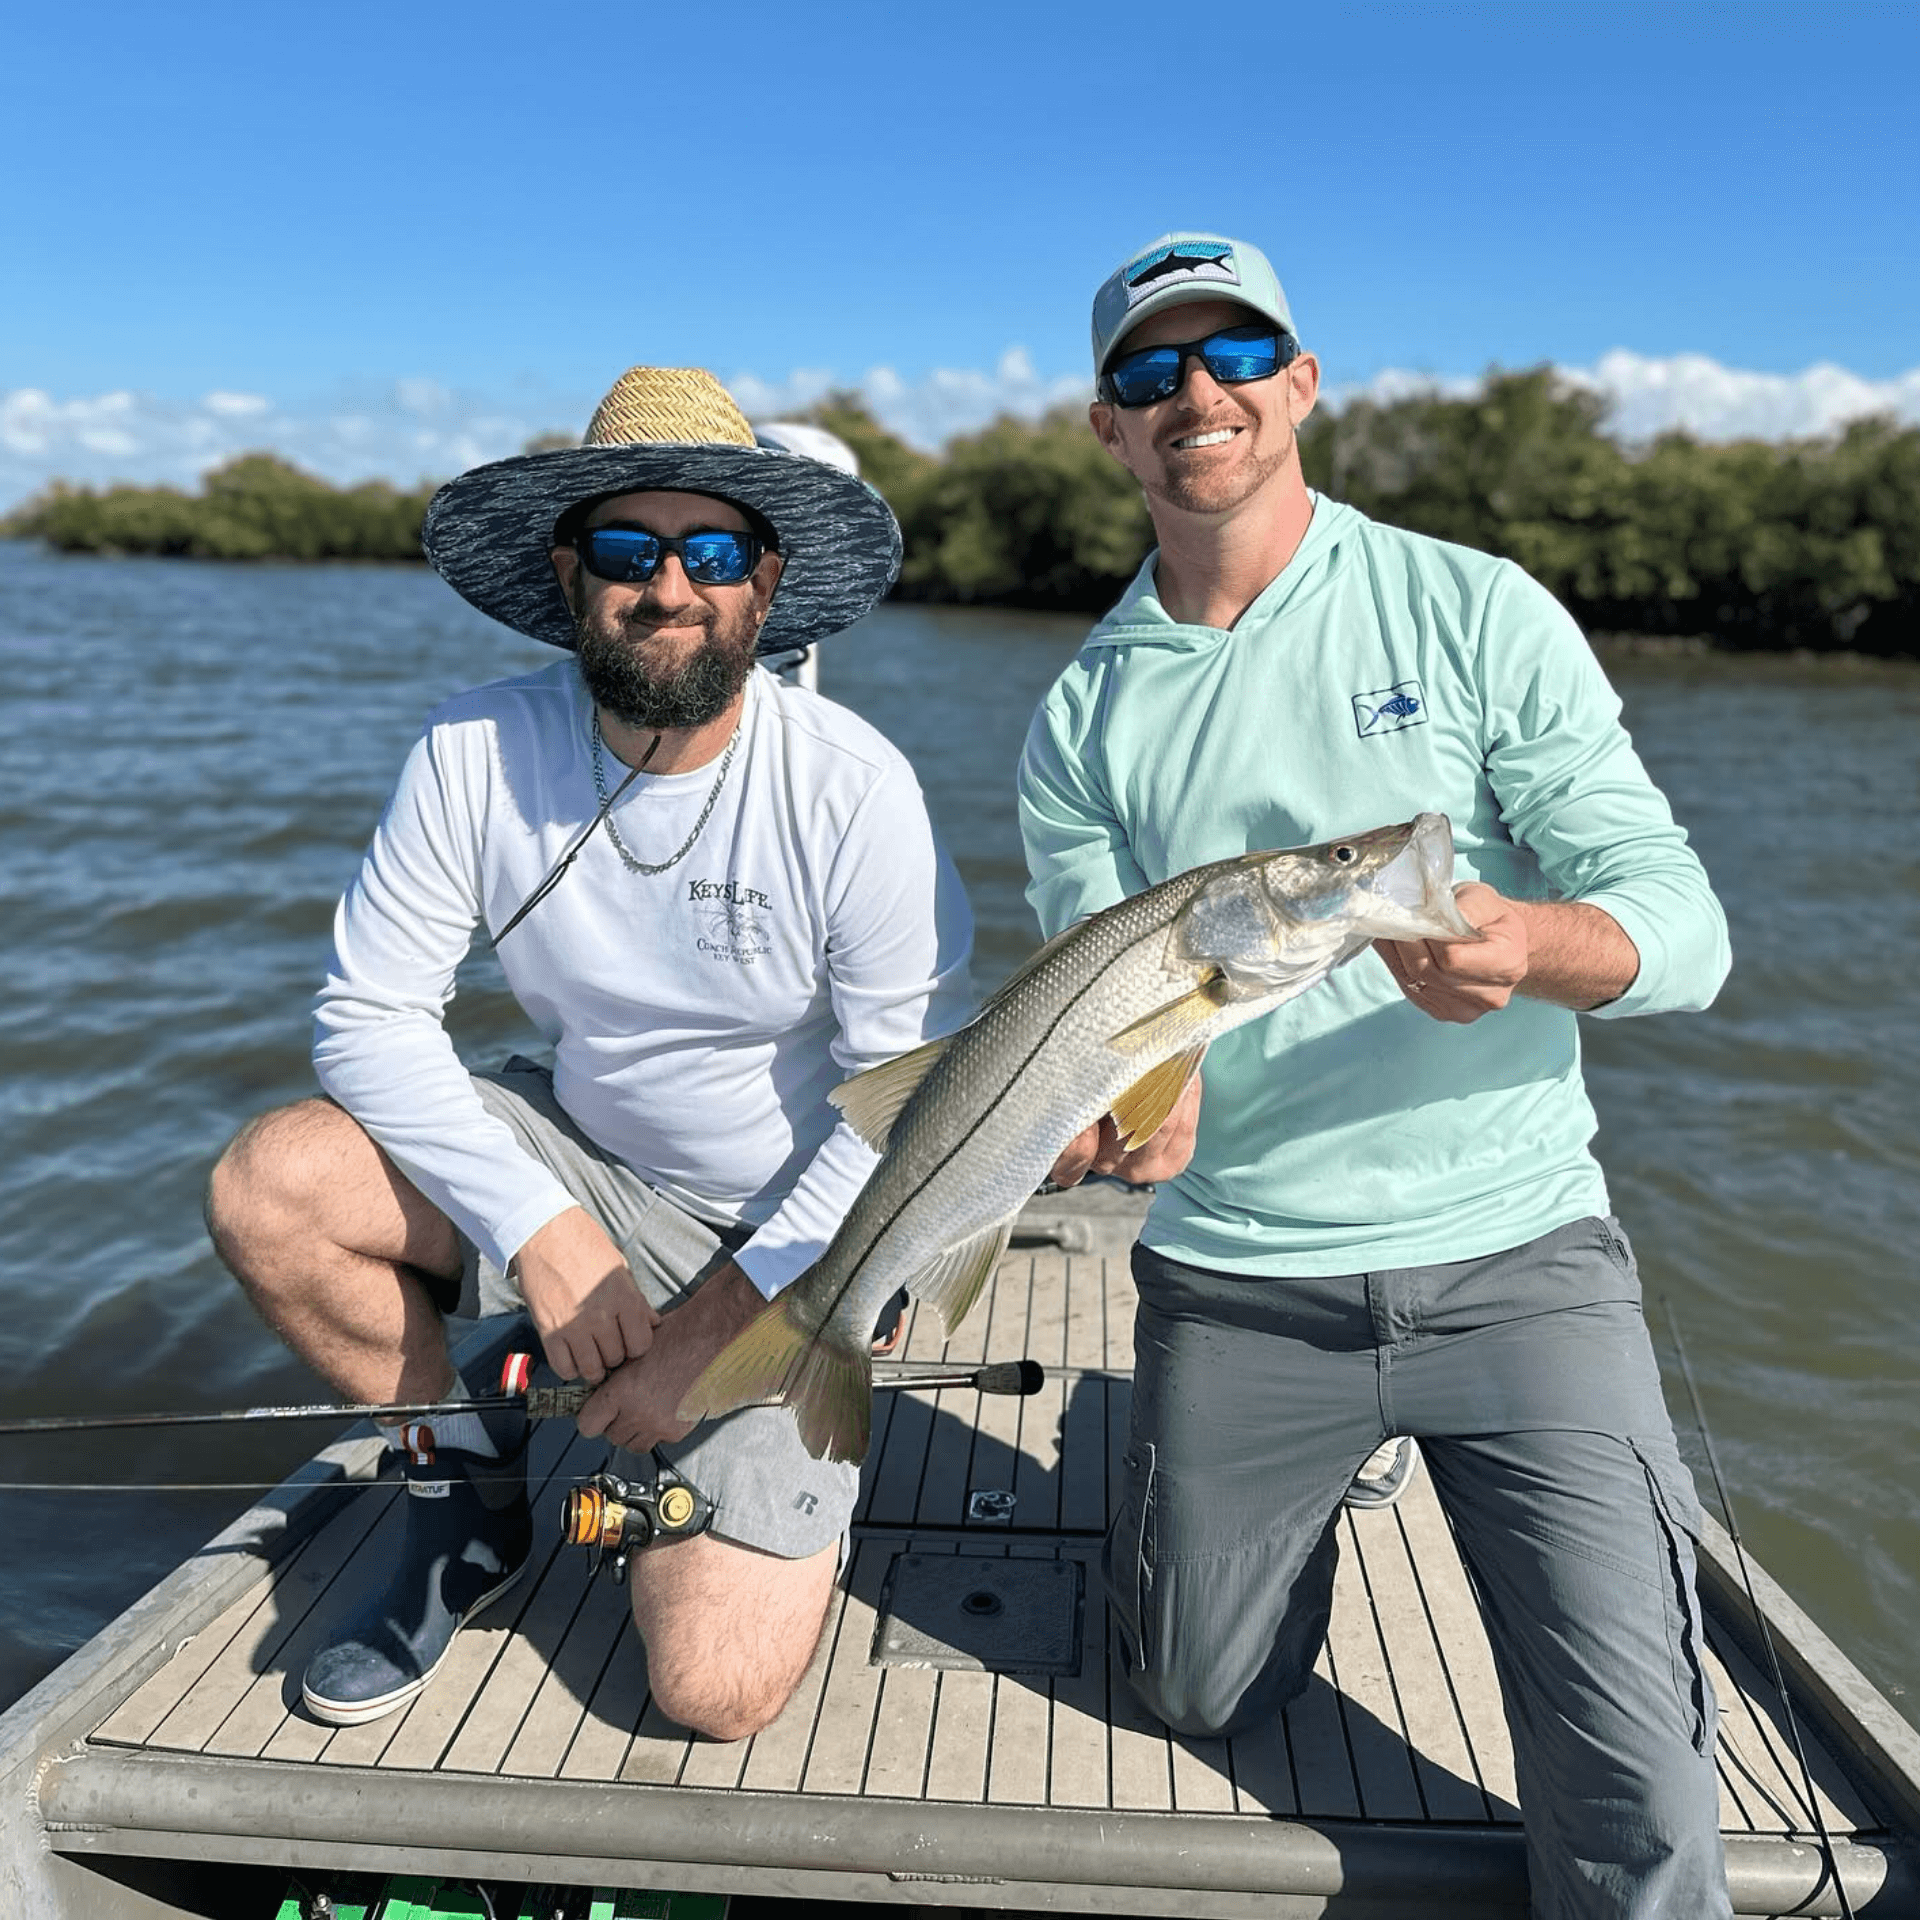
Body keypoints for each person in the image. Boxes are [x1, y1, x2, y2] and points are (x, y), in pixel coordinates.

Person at [1018, 233, 1733, 1918]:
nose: (1200, 393)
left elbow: (1687, 933)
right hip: (1238, 1284)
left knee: (1635, 1783)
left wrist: (1533, 950)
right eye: (1149, 372)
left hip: (1521, 1268)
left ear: (1302, 383)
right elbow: (1106, 1008)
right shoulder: (1080, 719)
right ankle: (1263, 1480)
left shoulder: (1472, 607)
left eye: (1237, 354)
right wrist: (1139, 1105)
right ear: (1110, 431)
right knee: (1193, 1690)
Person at [207, 366, 972, 1738]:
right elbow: (365, 1015)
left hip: (793, 1233)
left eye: (713, 549)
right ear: (570, 571)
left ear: (765, 581)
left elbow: (903, 1116)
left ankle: (766, 1474)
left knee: (710, 1695)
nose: (667, 586)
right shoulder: (469, 750)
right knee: (273, 1185)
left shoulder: (857, 789)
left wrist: (705, 1338)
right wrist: (545, 1230)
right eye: (627, 548)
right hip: (579, 1162)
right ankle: (458, 1491)